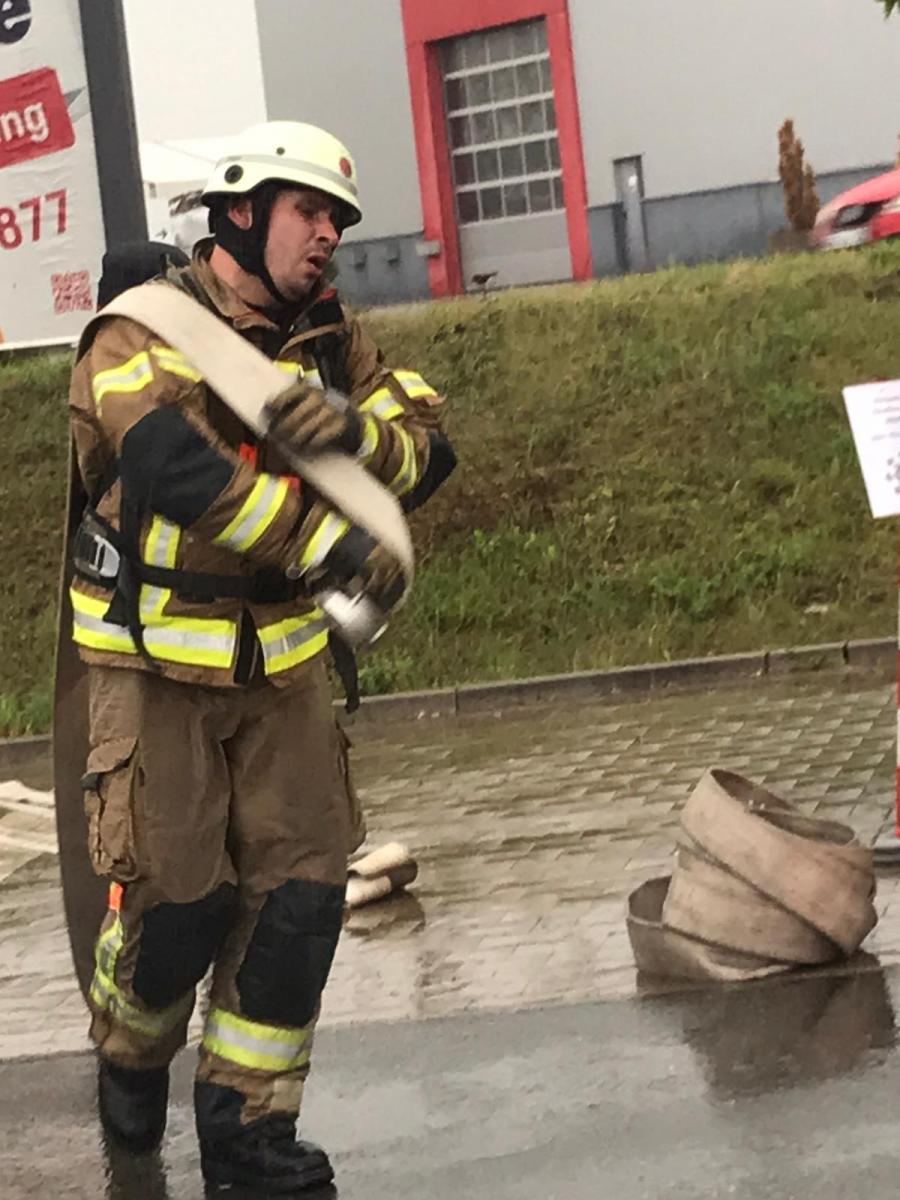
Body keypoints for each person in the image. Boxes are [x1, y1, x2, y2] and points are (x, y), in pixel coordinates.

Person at [66, 120, 456, 1193]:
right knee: (177, 916)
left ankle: (250, 1135)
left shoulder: (330, 337)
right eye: (309, 212)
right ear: (240, 210)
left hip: (286, 674)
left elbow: (427, 443)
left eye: (338, 221)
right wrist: (321, 537)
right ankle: (130, 1051)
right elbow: (172, 467)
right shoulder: (141, 326)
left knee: (298, 909)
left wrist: (348, 429)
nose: (328, 236)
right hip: (156, 674)